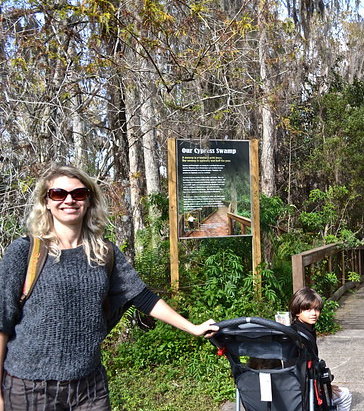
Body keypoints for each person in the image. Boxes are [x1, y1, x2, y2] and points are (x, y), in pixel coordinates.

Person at [0, 165, 218, 411]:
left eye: (79, 194)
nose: (69, 200)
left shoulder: (104, 252)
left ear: (89, 200)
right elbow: (2, 322)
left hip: (89, 385)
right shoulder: (25, 252)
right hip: (31, 387)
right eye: (59, 194)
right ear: (46, 202)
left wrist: (193, 328)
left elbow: (142, 296)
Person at [289, 287, 352, 411]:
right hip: (305, 390)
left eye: (316, 309)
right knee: (345, 395)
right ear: (297, 311)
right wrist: (323, 386)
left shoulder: (295, 330)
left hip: (293, 389)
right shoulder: (300, 336)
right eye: (308, 309)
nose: (314, 313)